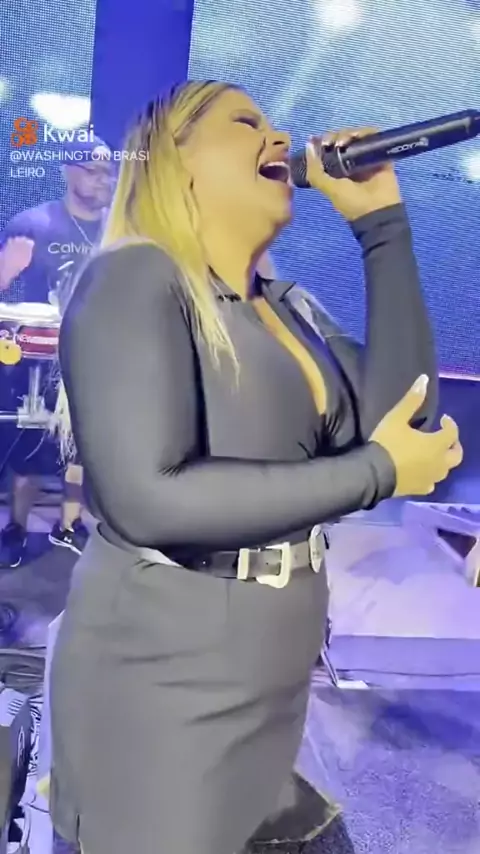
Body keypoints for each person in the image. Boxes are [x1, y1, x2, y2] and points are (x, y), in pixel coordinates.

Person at [49, 81, 462, 854]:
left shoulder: (288, 309)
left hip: (268, 707)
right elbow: (148, 499)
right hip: (159, 697)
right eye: (245, 124)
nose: (278, 138)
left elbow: (409, 423)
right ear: (174, 161)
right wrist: (376, 472)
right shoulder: (136, 277)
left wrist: (382, 226)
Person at [0, 138, 115, 567]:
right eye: (93, 170)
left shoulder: (119, 230)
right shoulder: (34, 223)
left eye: (108, 171)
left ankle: (69, 525)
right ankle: (16, 525)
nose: (103, 179)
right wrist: (8, 268)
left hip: (96, 355)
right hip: (36, 360)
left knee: (82, 447)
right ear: (68, 170)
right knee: (29, 449)